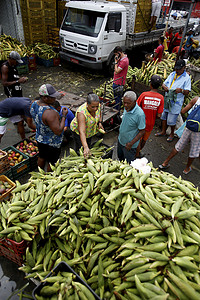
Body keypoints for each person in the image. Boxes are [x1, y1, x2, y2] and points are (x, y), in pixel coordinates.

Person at [30, 84, 67, 172]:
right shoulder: (50, 113)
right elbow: (58, 131)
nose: (55, 99)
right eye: (52, 97)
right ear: (45, 98)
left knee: (42, 156)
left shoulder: (34, 103)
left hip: (40, 137)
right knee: (52, 161)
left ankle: (40, 174)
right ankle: (48, 178)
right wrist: (64, 116)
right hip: (52, 142)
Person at [159, 97, 200, 174]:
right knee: (194, 150)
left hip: (188, 126)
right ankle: (187, 169)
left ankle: (165, 163)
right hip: (198, 131)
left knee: (179, 145)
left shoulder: (196, 99)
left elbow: (183, 111)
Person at [155, 59, 191, 142]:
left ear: (184, 68)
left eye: (179, 69)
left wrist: (181, 90)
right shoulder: (172, 74)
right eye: (176, 69)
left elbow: (187, 92)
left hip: (176, 102)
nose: (177, 70)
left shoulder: (186, 78)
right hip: (167, 98)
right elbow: (164, 83)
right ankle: (163, 131)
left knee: (171, 120)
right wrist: (164, 87)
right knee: (164, 117)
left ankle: (172, 134)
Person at [136, 75, 164, 157]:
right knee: (144, 139)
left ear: (150, 84)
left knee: (138, 138)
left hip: (140, 122)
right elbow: (159, 115)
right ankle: (139, 151)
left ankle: (136, 153)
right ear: (159, 86)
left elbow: (136, 107)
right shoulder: (161, 98)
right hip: (150, 123)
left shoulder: (144, 95)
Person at [70, 93, 104, 158]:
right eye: (93, 107)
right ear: (87, 104)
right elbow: (82, 132)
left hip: (89, 130)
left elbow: (99, 112)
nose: (95, 109)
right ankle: (79, 158)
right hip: (78, 131)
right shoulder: (82, 113)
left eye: (96, 106)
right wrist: (85, 147)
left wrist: (99, 122)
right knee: (80, 148)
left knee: (88, 142)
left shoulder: (97, 105)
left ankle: (87, 151)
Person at [118, 91, 145, 163]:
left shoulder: (139, 114)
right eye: (124, 102)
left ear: (134, 102)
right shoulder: (126, 108)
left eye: (128, 103)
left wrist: (131, 143)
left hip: (129, 145)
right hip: (121, 140)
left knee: (129, 162)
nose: (125, 105)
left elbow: (142, 131)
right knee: (120, 159)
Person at [113, 46, 129, 111]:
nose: (116, 56)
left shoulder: (124, 61)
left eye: (116, 54)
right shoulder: (121, 59)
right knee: (117, 98)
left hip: (118, 82)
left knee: (117, 99)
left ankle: (117, 112)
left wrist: (116, 62)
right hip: (117, 81)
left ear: (119, 53)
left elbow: (117, 71)